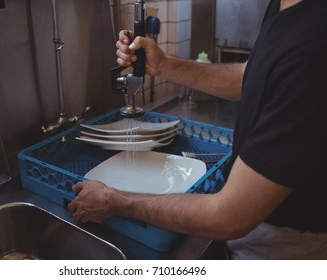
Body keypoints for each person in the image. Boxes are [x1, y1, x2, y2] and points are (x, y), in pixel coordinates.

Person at [68, 0, 327, 259]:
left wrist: (114, 202)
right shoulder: (283, 6)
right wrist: (162, 65)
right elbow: (249, 76)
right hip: (253, 235)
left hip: (283, 249)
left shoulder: (314, 41)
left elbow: (231, 215)